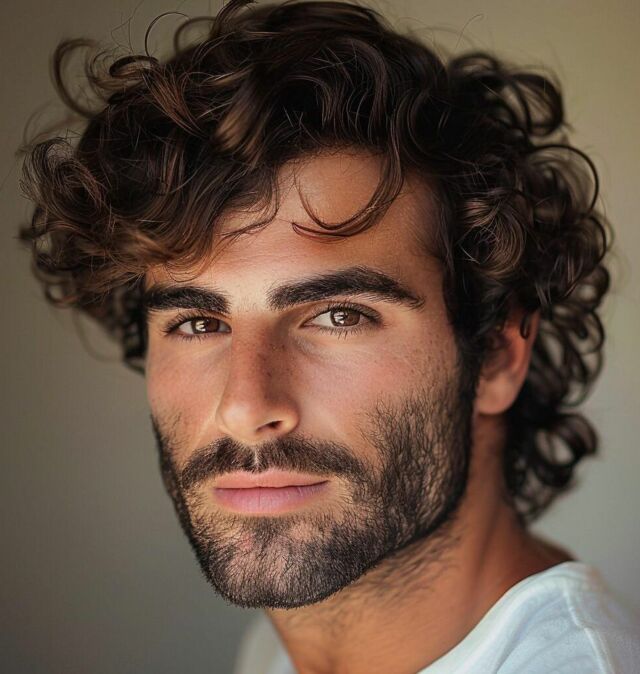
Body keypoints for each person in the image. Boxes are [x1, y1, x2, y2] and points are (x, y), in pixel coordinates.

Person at [19, 0, 640, 672]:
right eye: (199, 323)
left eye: (339, 316)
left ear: (494, 355)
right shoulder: (279, 651)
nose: (247, 408)